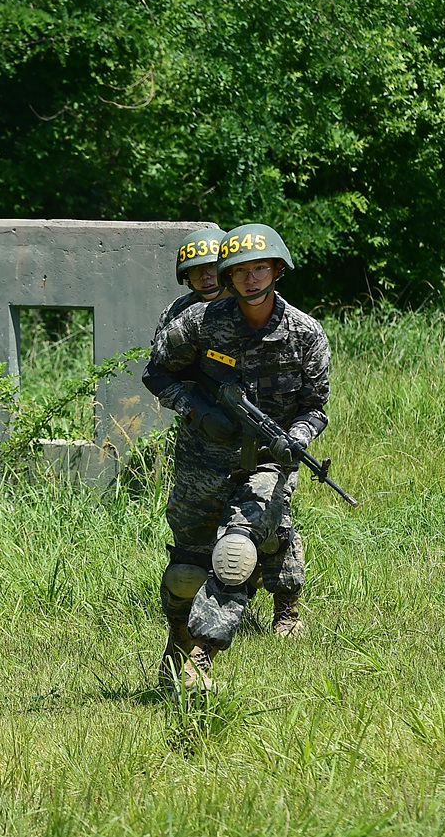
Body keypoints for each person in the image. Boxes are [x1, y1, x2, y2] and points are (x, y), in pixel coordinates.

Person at [144, 222, 330, 690]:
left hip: (268, 460)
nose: (251, 279)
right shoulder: (198, 323)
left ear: (278, 270)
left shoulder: (305, 333)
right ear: (227, 275)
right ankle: (177, 644)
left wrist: (297, 439)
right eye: (241, 271)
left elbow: (316, 408)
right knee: (187, 567)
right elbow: (157, 373)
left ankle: (203, 658)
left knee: (236, 552)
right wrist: (196, 411)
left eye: (260, 268)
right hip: (201, 459)